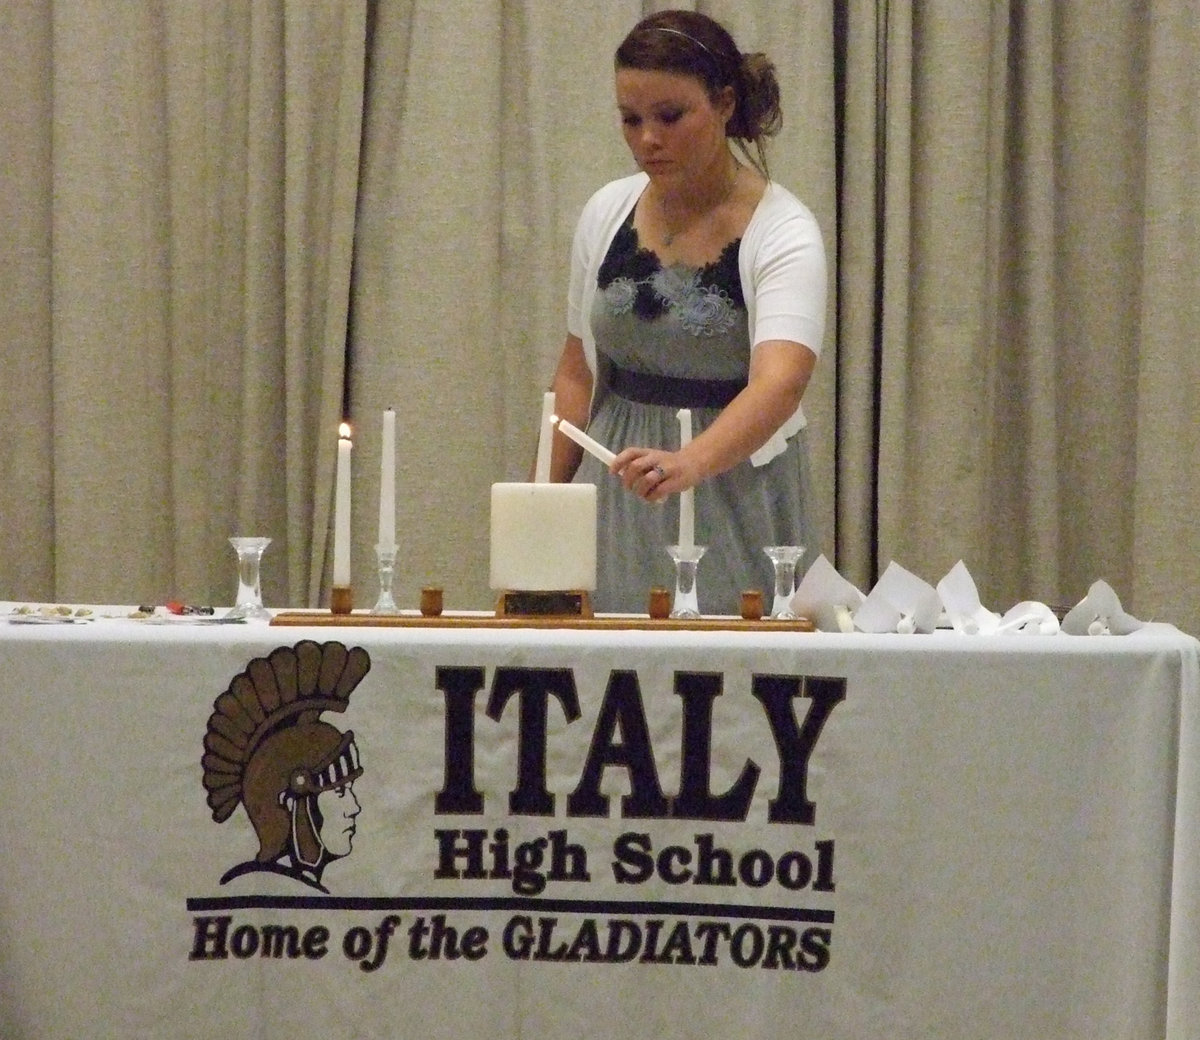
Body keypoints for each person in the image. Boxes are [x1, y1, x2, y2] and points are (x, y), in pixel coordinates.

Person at [546, 9, 827, 614]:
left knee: (732, 657)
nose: (648, 138)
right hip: (618, 476)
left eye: (670, 116)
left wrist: (688, 463)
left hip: (736, 483)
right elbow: (575, 372)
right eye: (631, 119)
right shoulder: (605, 211)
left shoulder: (784, 230)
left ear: (724, 103)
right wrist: (544, 509)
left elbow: (780, 384)